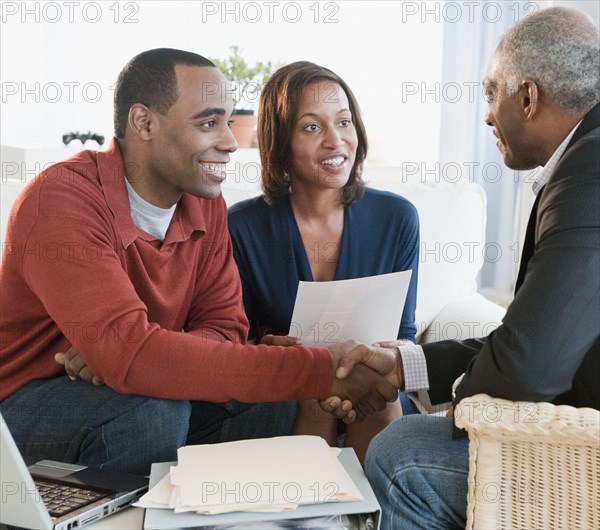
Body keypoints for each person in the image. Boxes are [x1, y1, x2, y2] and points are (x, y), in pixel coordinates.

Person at [0, 48, 400, 476]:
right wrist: (131, 356)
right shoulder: (61, 200)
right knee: (150, 412)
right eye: (209, 123)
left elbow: (226, 329)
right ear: (144, 122)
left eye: (228, 122)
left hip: (137, 387)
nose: (230, 141)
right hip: (27, 399)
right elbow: (132, 354)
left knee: (275, 398)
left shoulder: (203, 201)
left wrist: (136, 356)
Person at [331, 7, 599, 529]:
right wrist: (406, 365)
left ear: (527, 97)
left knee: (403, 454)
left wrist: (455, 407)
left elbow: (527, 366)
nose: (485, 115)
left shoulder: (589, 175)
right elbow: (533, 339)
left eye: (489, 92)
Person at [227, 61, 420, 462]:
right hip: (290, 390)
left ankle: (374, 521)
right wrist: (273, 351)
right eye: (312, 127)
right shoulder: (241, 227)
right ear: (281, 142)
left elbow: (404, 333)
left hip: (375, 389)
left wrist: (371, 362)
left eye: (344, 122)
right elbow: (234, 341)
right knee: (313, 389)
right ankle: (308, 520)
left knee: (374, 384)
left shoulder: (397, 218)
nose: (336, 141)